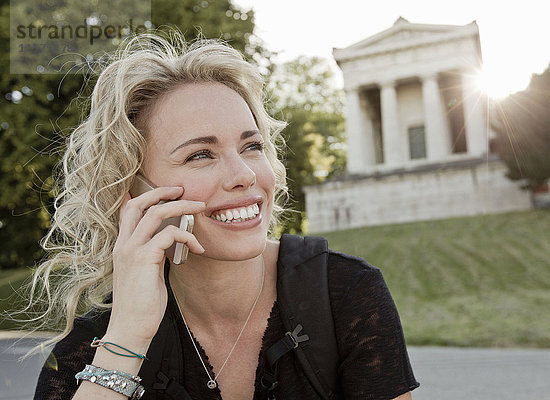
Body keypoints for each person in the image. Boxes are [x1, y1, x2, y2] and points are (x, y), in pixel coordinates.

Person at [31, 31, 419, 400]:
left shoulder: (348, 292)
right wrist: (127, 339)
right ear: (132, 193)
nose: (245, 175)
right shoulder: (92, 345)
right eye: (200, 154)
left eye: (252, 147)